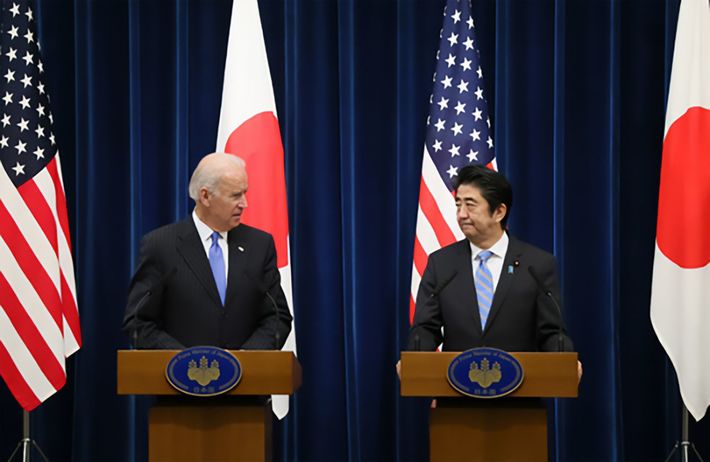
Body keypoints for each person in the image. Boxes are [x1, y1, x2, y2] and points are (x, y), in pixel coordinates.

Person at [407, 165, 579, 370]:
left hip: (520, 385)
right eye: (458, 205)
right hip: (456, 384)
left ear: (499, 212)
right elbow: (426, 328)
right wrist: (414, 360)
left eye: (470, 205)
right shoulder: (441, 264)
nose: (461, 214)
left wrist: (565, 360)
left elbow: (551, 332)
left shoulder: (537, 265)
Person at [123, 152, 292, 350]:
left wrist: (245, 358)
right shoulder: (161, 246)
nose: (244, 204)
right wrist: (185, 360)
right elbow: (138, 322)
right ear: (205, 196)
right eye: (235, 195)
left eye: (244, 193)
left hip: (247, 369)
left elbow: (277, 316)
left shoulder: (259, 245)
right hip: (181, 368)